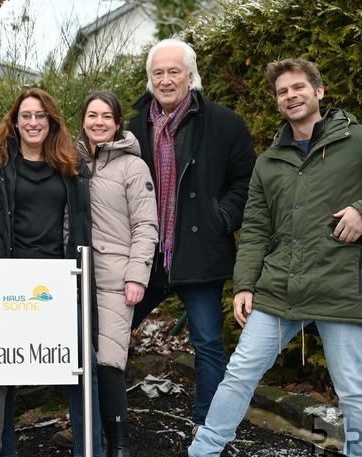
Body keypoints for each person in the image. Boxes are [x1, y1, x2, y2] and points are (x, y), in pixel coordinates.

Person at [189, 58, 362, 456]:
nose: (291, 96)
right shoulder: (268, 162)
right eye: (282, 92)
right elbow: (255, 231)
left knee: (353, 392)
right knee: (238, 375)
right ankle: (204, 451)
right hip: (279, 287)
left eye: (298, 87)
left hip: (339, 286)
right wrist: (245, 284)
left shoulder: (355, 142)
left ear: (319, 91)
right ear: (278, 103)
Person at [127, 38, 257, 429]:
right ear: (150, 79)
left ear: (190, 75)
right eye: (158, 73)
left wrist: (221, 216)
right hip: (146, 255)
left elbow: (247, 181)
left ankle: (210, 428)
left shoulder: (224, 122)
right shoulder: (133, 126)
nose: (166, 80)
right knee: (109, 337)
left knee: (208, 344)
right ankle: (100, 421)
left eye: (173, 71)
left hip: (200, 249)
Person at [0, 88, 103, 457]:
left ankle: (88, 451)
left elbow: (81, 223)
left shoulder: (71, 163)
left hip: (60, 283)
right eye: (26, 116)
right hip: (9, 282)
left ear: (52, 122)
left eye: (40, 116)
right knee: (3, 372)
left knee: (83, 367)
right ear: (14, 121)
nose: (33, 122)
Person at [77, 90, 158, 456]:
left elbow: (146, 225)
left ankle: (120, 444)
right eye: (92, 115)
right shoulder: (70, 161)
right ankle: (90, 436)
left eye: (106, 116)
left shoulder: (133, 166)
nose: (98, 122)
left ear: (118, 122)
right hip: (75, 279)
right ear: (83, 121)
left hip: (114, 277)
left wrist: (137, 275)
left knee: (109, 361)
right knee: (79, 362)